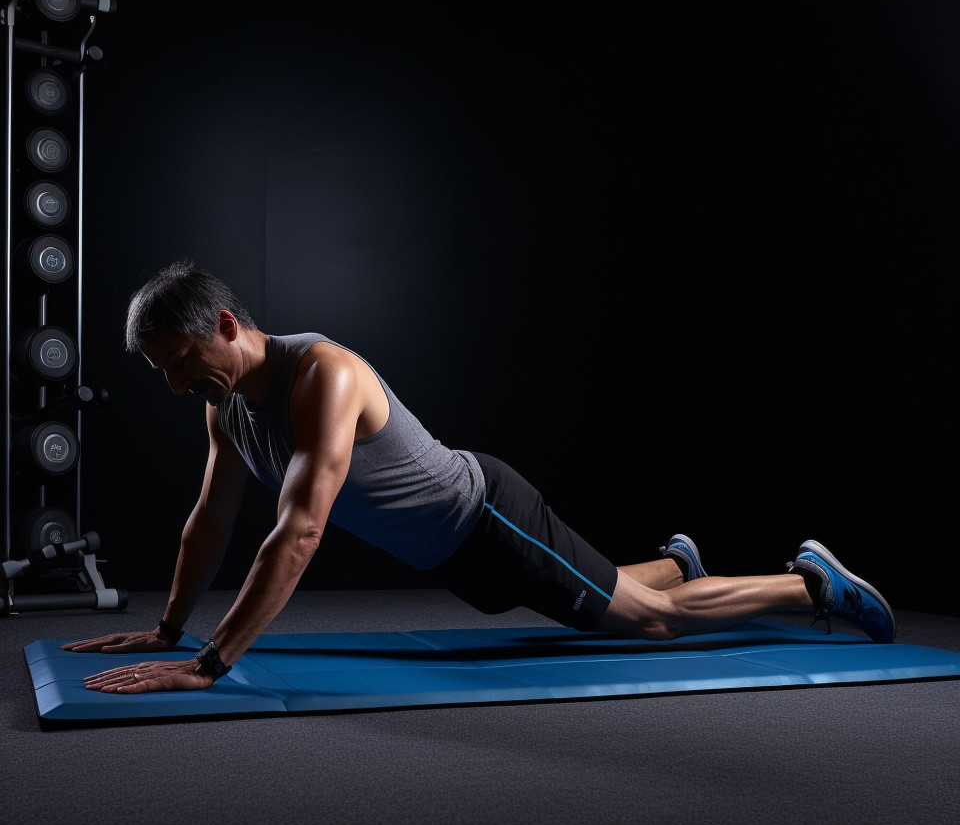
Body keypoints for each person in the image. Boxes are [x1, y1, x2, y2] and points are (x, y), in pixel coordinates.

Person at [63, 258, 896, 694]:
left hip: (490, 520)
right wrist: (168, 629)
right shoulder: (225, 406)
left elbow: (302, 527)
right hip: (457, 558)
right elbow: (209, 519)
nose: (176, 385)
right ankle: (679, 563)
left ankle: (810, 585)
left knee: (651, 626)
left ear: (225, 324)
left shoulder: (324, 374)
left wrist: (208, 663)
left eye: (180, 361)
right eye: (160, 373)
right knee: (600, 597)